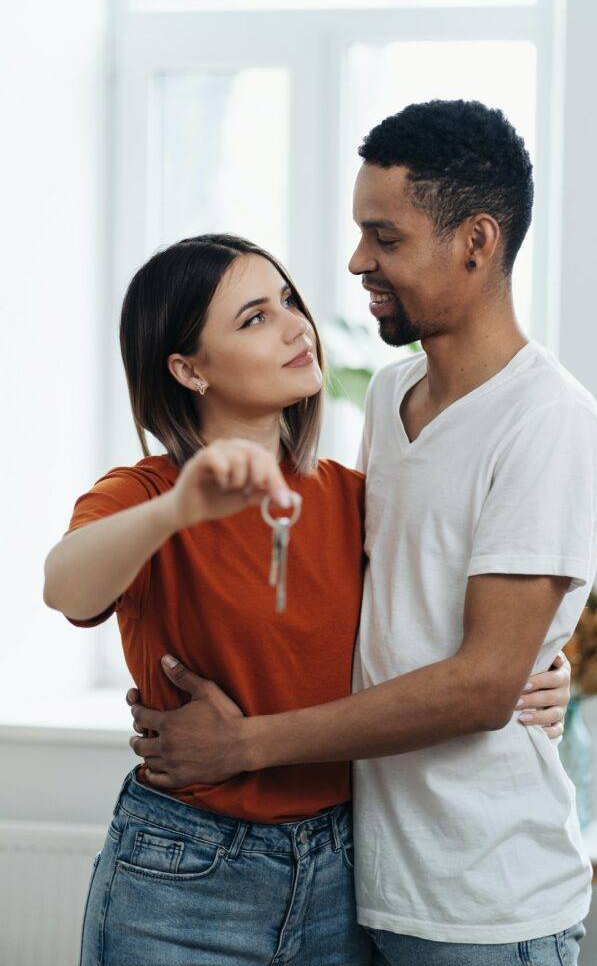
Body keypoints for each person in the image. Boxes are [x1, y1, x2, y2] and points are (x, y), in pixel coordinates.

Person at [127, 101, 597, 965]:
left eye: (385, 239)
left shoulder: (550, 419)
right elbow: (388, 605)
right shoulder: (390, 398)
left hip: (488, 908)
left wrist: (247, 744)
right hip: (367, 888)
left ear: (476, 242)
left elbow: (480, 686)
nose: (356, 263)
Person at [43, 231, 568, 966]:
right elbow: (65, 586)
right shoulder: (146, 496)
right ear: (188, 369)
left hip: (344, 875)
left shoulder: (358, 499)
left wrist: (541, 666)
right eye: (254, 317)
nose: (296, 325)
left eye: (288, 300)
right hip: (182, 880)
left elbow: (433, 617)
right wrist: (178, 511)